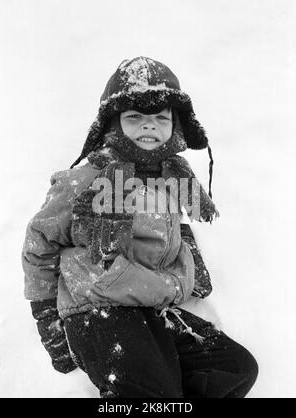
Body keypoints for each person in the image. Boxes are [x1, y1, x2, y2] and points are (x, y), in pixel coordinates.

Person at [21, 56, 258, 398]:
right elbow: (39, 244)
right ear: (112, 124)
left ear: (175, 126)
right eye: (135, 117)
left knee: (236, 369)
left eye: (161, 118)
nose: (150, 126)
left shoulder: (172, 177)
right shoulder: (85, 181)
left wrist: (187, 266)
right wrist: (47, 320)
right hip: (99, 309)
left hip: (151, 304)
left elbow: (170, 231)